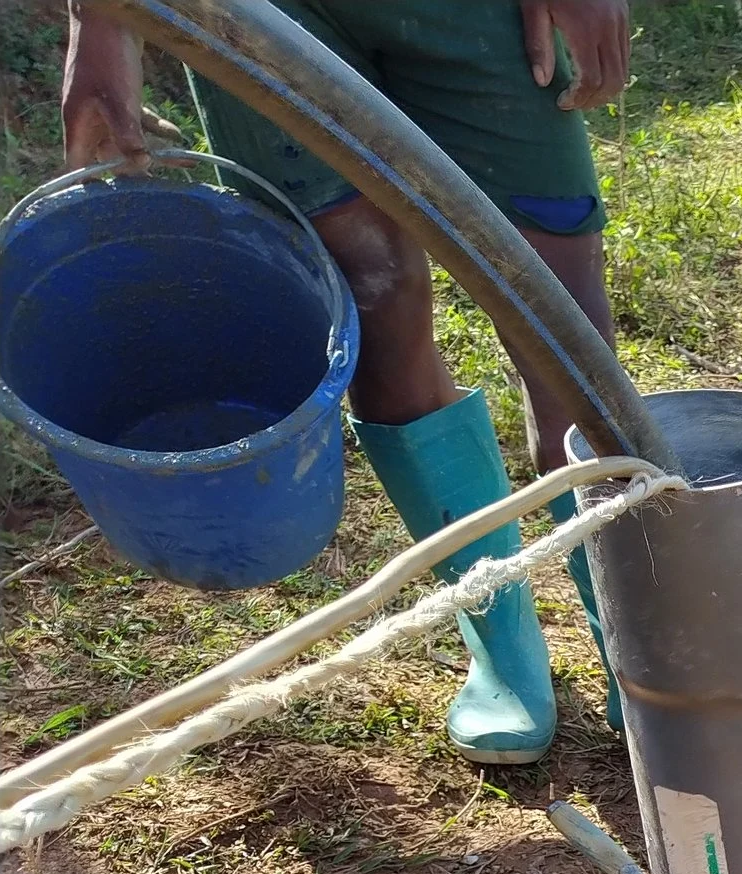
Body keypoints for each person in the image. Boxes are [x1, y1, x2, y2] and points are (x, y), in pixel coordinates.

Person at [60, 0, 630, 765]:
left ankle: (637, 637)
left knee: (559, 312)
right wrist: (96, 16)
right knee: (370, 293)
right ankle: (500, 638)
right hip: (258, 11)